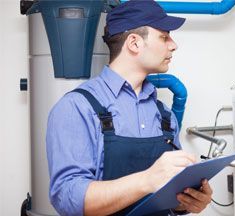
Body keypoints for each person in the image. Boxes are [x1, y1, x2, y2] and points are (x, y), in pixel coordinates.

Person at [46, 0, 212, 215]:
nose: (173, 45)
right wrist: (146, 180)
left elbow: (168, 191)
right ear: (134, 43)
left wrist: (186, 200)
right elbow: (68, 198)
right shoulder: (77, 107)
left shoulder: (164, 115)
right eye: (164, 36)